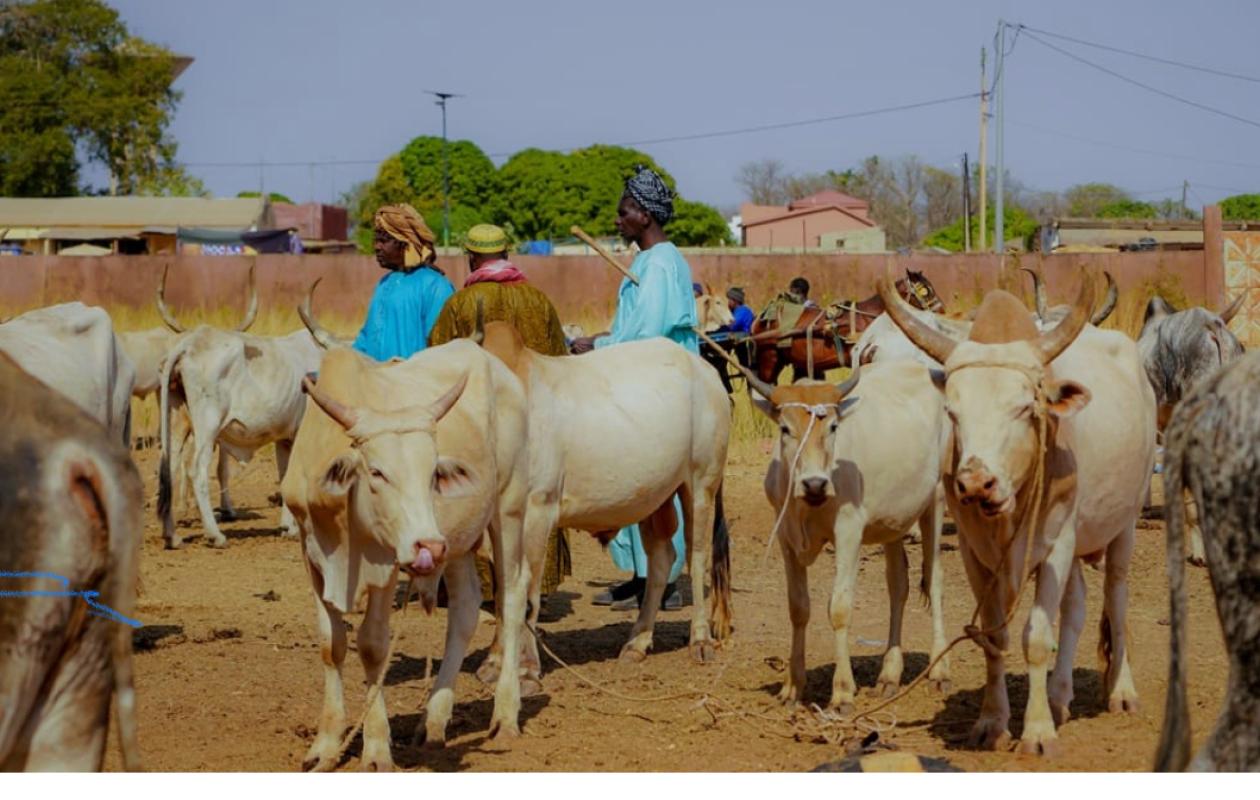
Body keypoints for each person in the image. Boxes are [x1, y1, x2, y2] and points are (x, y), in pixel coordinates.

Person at [569, 166, 694, 611]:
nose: (618, 220)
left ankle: (667, 581)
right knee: (636, 478)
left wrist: (599, 344)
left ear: (644, 214)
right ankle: (642, 577)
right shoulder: (646, 260)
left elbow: (650, 330)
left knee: (655, 482)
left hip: (658, 386)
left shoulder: (661, 262)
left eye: (624, 213)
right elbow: (632, 325)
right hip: (636, 380)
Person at [428, 223, 572, 602]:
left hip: (480, 427)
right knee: (534, 498)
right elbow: (560, 362)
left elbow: (438, 365)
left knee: (483, 501)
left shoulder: (458, 305)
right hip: (536, 423)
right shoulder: (538, 300)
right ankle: (534, 586)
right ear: (507, 255)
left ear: (472, 258)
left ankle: (489, 589)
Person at [352, 204, 454, 362]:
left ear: (405, 243)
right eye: (376, 240)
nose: (377, 247)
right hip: (376, 382)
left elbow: (441, 350)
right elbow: (365, 342)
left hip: (412, 383)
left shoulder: (436, 286)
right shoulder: (384, 284)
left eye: (384, 241)